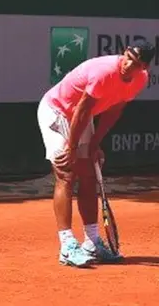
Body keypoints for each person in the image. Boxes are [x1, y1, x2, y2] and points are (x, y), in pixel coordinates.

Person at [36, 39, 155, 268]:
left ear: (144, 68)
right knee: (66, 173)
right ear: (124, 52)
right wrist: (71, 148)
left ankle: (92, 241)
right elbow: (82, 108)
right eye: (128, 57)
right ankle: (67, 246)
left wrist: (95, 143)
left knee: (89, 174)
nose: (128, 64)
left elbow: (115, 109)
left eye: (136, 62)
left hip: (82, 116)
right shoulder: (104, 72)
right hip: (57, 110)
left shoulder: (140, 80)